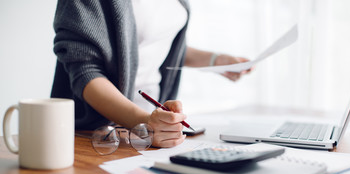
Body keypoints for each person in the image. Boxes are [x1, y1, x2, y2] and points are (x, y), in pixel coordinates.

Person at [51, 0, 252, 148]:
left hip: (152, 129)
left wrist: (215, 60)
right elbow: (85, 72)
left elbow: (154, 44)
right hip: (100, 132)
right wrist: (143, 123)